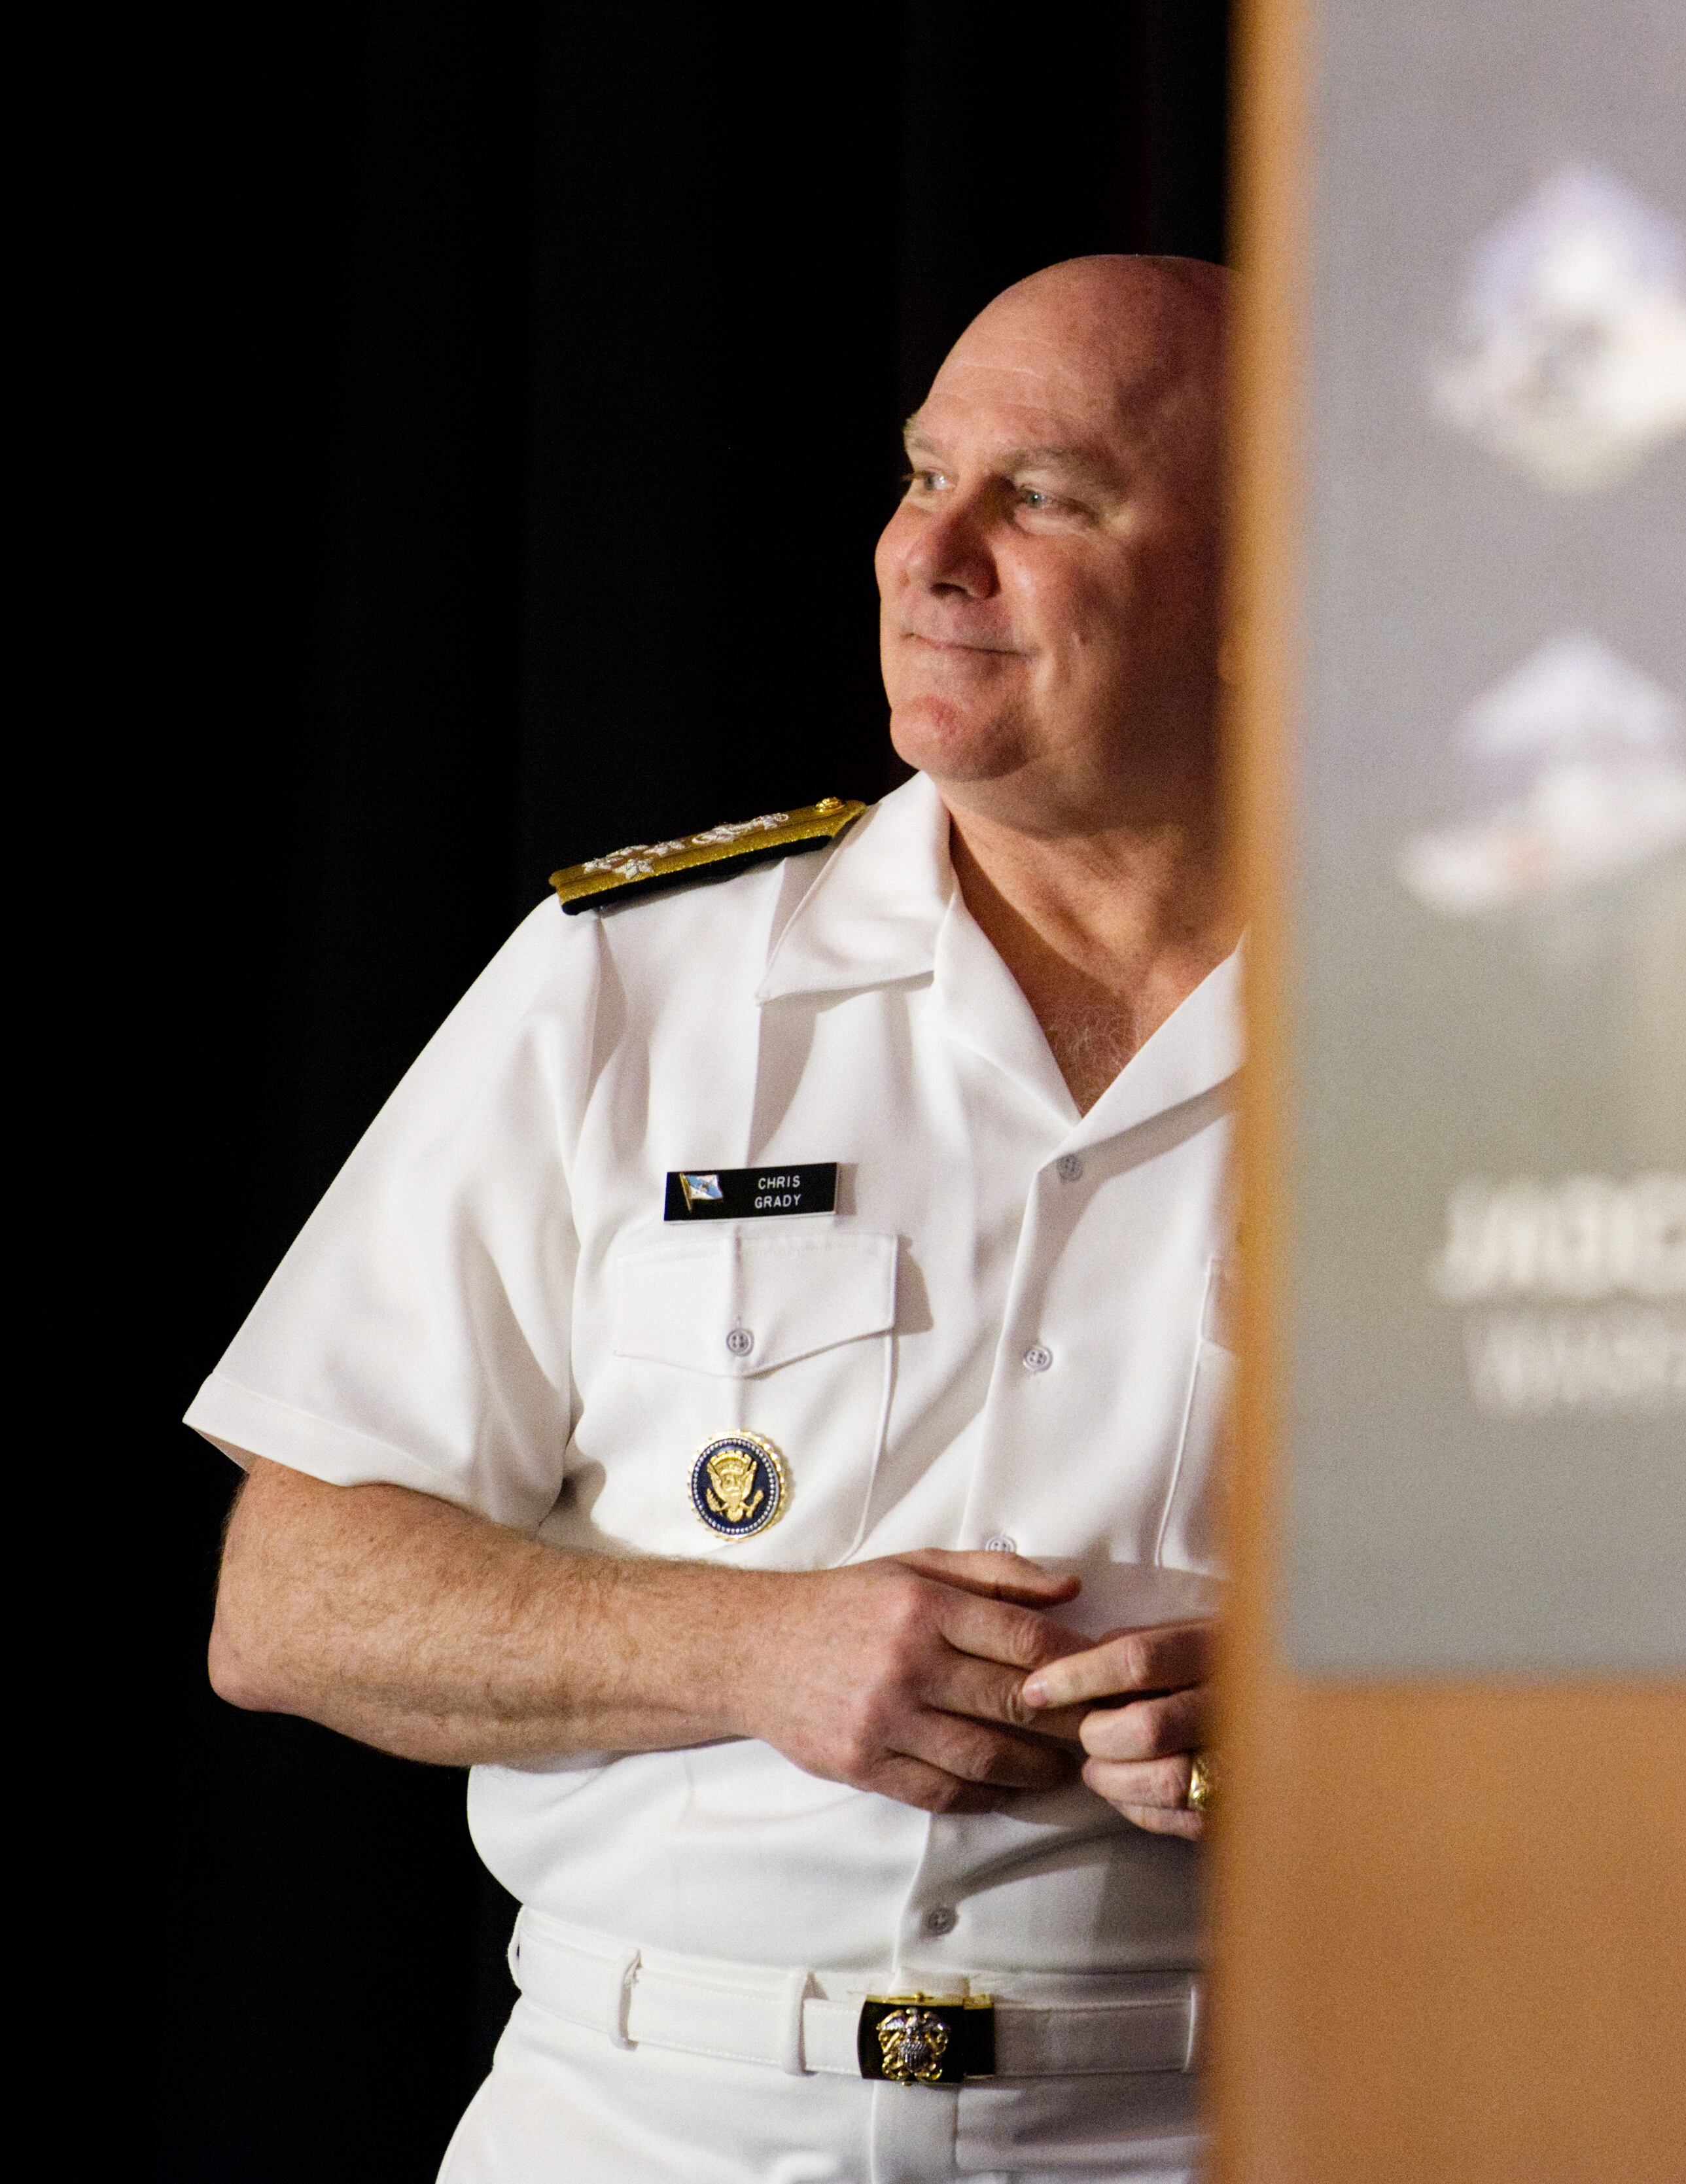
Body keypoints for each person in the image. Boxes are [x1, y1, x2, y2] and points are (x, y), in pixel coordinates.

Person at [196, 255, 1240, 2183]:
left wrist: (1361, 1728)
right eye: (928, 475)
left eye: (1050, 498)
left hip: (1216, 2117)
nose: (934, 553)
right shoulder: (639, 981)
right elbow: (288, 1591)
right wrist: (746, 1650)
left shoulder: (1481, 1049)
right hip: (652, 2116)